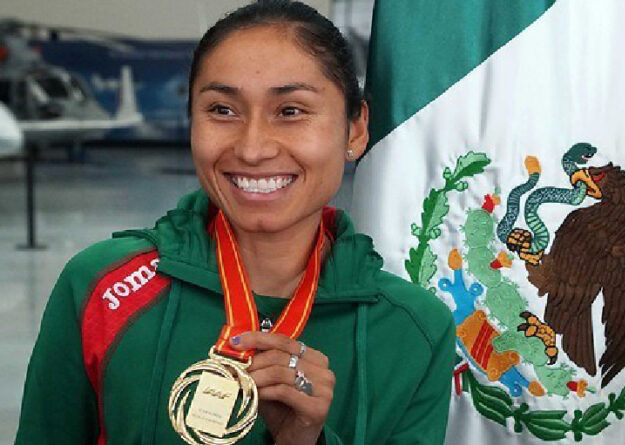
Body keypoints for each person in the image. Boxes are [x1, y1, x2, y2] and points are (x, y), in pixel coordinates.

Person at [14, 1, 455, 444]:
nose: (252, 148)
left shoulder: (414, 330)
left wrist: (305, 438)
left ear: (356, 129)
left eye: (291, 111)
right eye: (223, 110)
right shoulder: (102, 288)